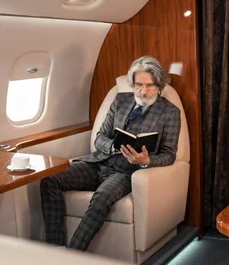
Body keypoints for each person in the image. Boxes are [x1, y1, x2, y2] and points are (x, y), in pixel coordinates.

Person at [40, 56, 181, 251]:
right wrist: (114, 146)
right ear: (132, 84)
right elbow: (99, 137)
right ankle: (55, 248)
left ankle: (72, 254)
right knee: (50, 179)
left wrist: (146, 160)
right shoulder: (120, 100)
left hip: (127, 172)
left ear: (159, 86)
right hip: (100, 162)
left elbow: (169, 154)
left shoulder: (170, 112)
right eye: (139, 85)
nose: (143, 91)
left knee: (102, 197)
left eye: (150, 86)